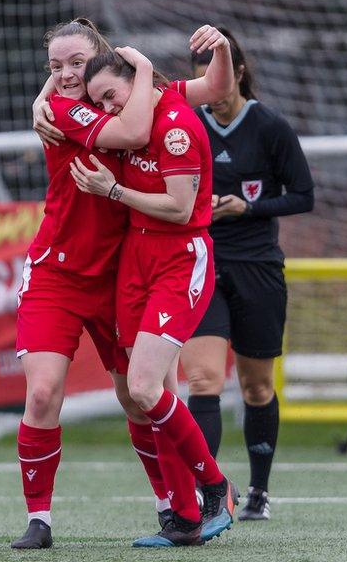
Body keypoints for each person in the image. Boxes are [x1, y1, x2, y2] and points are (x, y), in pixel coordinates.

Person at [11, 19, 234, 549]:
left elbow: (215, 91)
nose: (65, 75)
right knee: (42, 393)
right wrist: (46, 98)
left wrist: (214, 50)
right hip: (59, 271)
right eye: (54, 67)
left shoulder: (128, 94)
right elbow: (133, 130)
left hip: (125, 267)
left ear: (104, 59)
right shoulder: (70, 107)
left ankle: (178, 510)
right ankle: (40, 519)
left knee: (141, 394)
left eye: (75, 64)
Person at [72, 50, 237, 548]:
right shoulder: (135, 116)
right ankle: (184, 518)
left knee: (144, 388)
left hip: (179, 257)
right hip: (136, 258)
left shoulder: (173, 124)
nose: (108, 109)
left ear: (137, 80)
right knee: (147, 396)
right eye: (98, 101)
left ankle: (215, 484)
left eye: (110, 97)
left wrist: (114, 191)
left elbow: (181, 205)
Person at [177, 27, 314, 522]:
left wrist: (248, 206)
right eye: (199, 73)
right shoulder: (185, 125)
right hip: (202, 265)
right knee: (204, 379)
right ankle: (209, 490)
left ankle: (258, 490)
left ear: (237, 72)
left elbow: (304, 195)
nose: (208, 80)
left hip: (257, 266)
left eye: (216, 69)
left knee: (257, 386)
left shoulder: (271, 127)